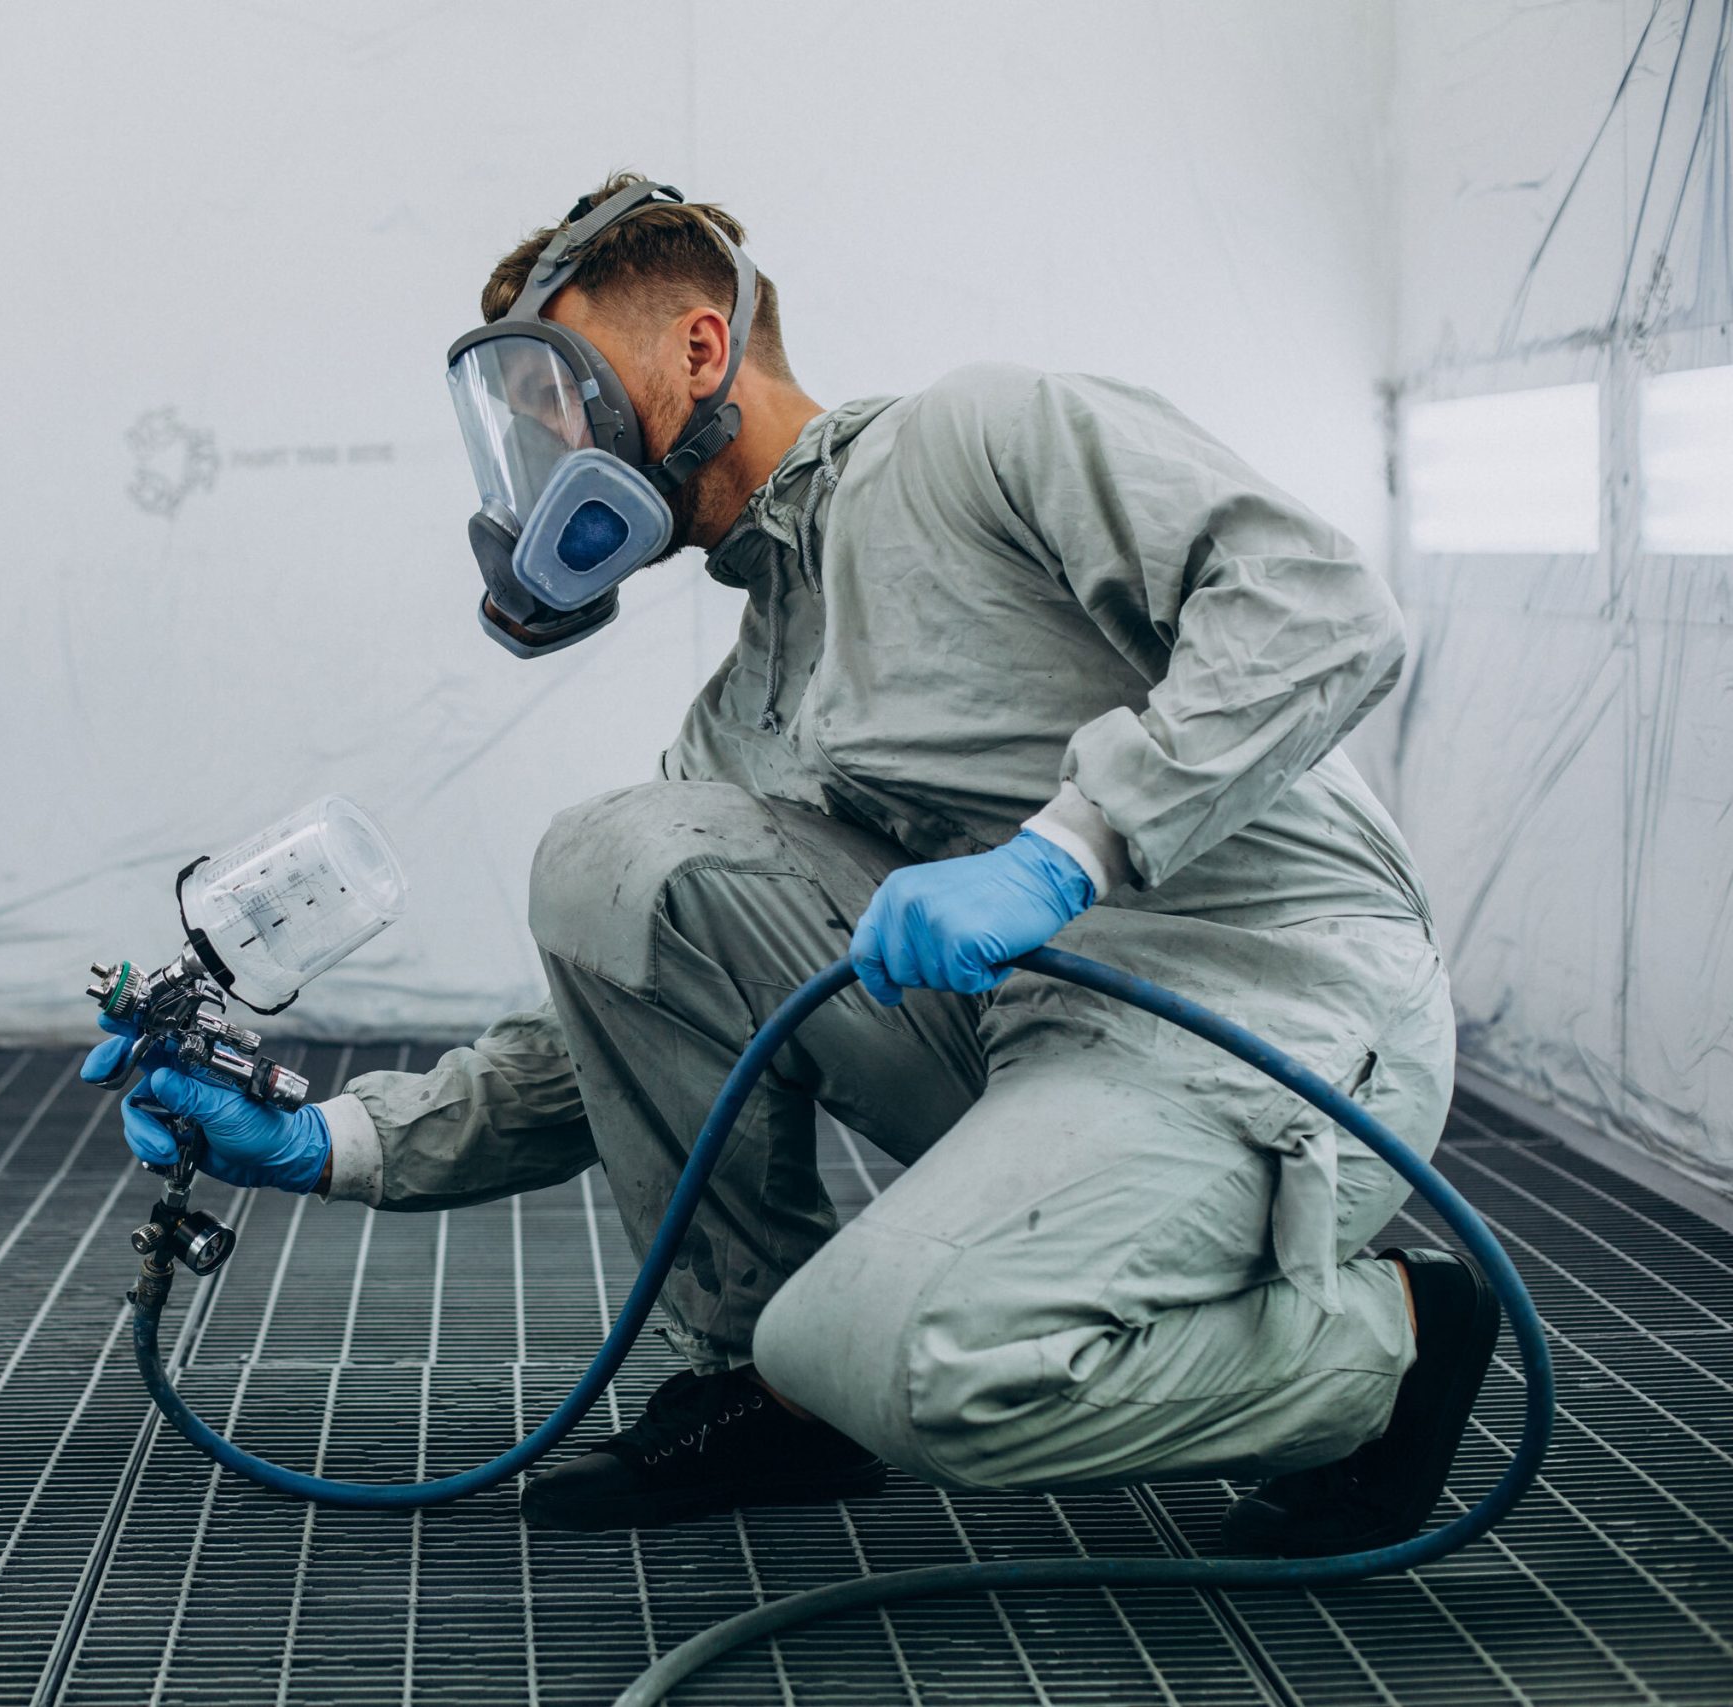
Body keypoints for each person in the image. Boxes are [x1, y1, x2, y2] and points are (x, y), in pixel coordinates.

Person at [84, 176, 1498, 1551]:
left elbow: (1320, 609)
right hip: (1037, 1038)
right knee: (618, 860)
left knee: (909, 1367)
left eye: (562, 406)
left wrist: (1071, 847)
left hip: (1273, 1012)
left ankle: (1392, 1347)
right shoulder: (753, 699)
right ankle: (762, 1396)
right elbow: (612, 1020)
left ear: (702, 346)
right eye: (517, 440)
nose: (543, 474)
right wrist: (333, 1139)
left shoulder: (979, 437)